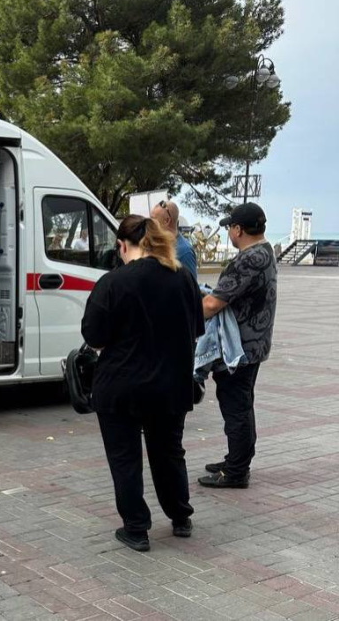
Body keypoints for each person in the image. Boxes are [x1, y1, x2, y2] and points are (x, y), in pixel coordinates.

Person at [81, 215, 204, 551]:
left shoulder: (113, 282)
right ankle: (180, 516)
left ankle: (136, 528)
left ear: (122, 246)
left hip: (120, 386)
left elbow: (93, 335)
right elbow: (196, 329)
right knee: (169, 453)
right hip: (170, 384)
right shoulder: (183, 278)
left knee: (125, 458)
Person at [199, 203, 277, 489]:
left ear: (238, 229)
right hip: (253, 345)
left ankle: (236, 471)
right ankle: (237, 459)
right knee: (242, 404)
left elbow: (212, 304)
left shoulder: (249, 259)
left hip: (238, 349)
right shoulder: (266, 251)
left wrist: (184, 312)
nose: (228, 233)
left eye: (229, 227)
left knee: (236, 407)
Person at [152, 200, 197, 279]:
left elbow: (190, 285)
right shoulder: (158, 245)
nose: (150, 223)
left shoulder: (185, 252)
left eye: (153, 219)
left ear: (167, 221)